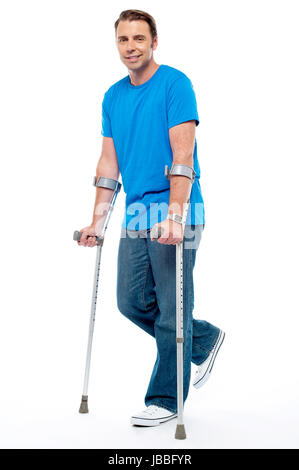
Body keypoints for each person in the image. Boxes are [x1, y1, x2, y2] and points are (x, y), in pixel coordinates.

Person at [77, 9, 225, 427]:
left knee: (171, 310)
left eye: (139, 39)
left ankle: (165, 398)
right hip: (138, 211)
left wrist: (176, 216)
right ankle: (204, 339)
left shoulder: (175, 84)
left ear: (154, 42)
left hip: (178, 209)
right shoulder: (112, 96)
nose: (131, 47)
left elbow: (183, 157)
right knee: (130, 301)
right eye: (124, 40)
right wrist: (97, 222)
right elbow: (109, 162)